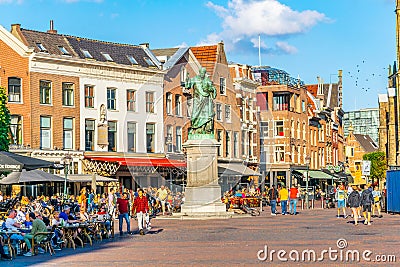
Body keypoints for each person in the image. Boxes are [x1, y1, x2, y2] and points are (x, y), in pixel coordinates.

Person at [184, 67, 217, 134]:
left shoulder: (207, 80)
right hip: (197, 100)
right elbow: (188, 85)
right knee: (194, 115)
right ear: (199, 72)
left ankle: (204, 129)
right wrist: (187, 79)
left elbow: (212, 88)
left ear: (205, 73)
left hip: (206, 100)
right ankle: (195, 128)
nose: (202, 74)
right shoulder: (195, 79)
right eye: (201, 73)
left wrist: (211, 89)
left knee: (207, 115)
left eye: (203, 73)